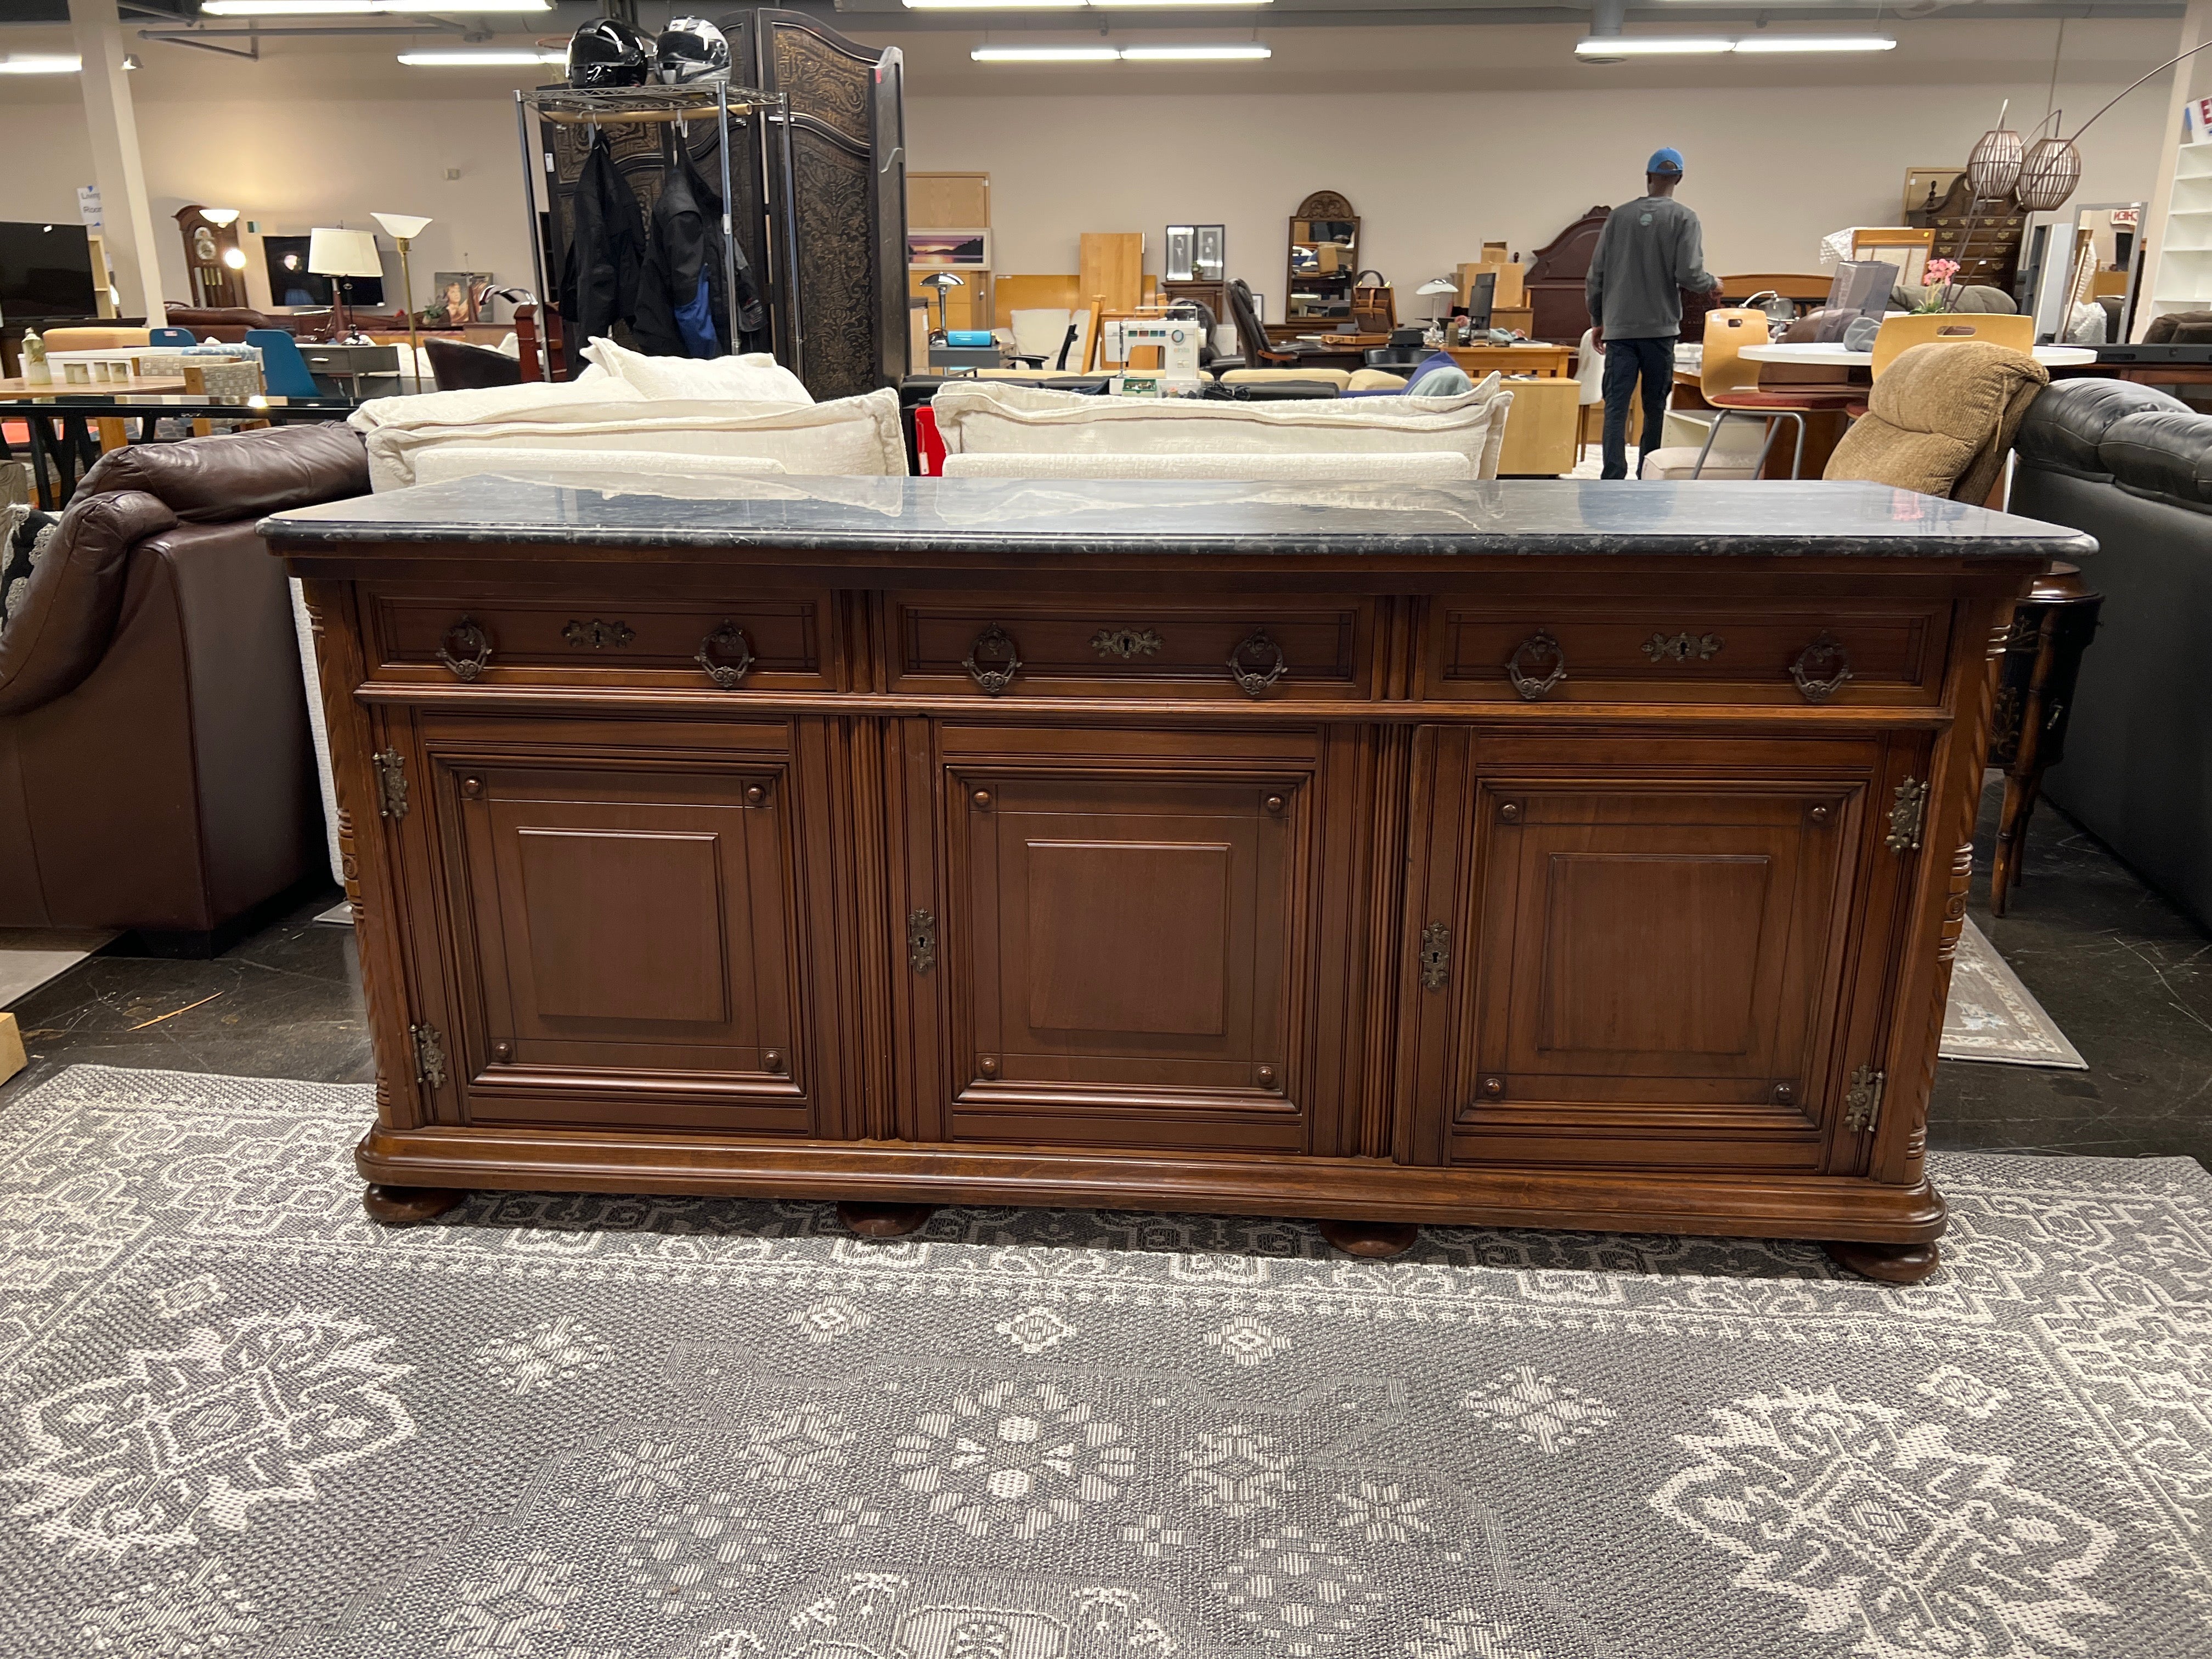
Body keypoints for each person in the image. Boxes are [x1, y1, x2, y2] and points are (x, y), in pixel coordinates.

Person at [1585, 146, 1722, 480]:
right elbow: (1689, 274)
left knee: (1616, 406)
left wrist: (1599, 321)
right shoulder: (1685, 218)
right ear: (1680, 179)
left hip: (1620, 329)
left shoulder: (1618, 217)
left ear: (1648, 177)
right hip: (1660, 330)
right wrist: (1713, 284)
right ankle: (1648, 475)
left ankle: (1612, 476)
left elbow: (1596, 275)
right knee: (1655, 406)